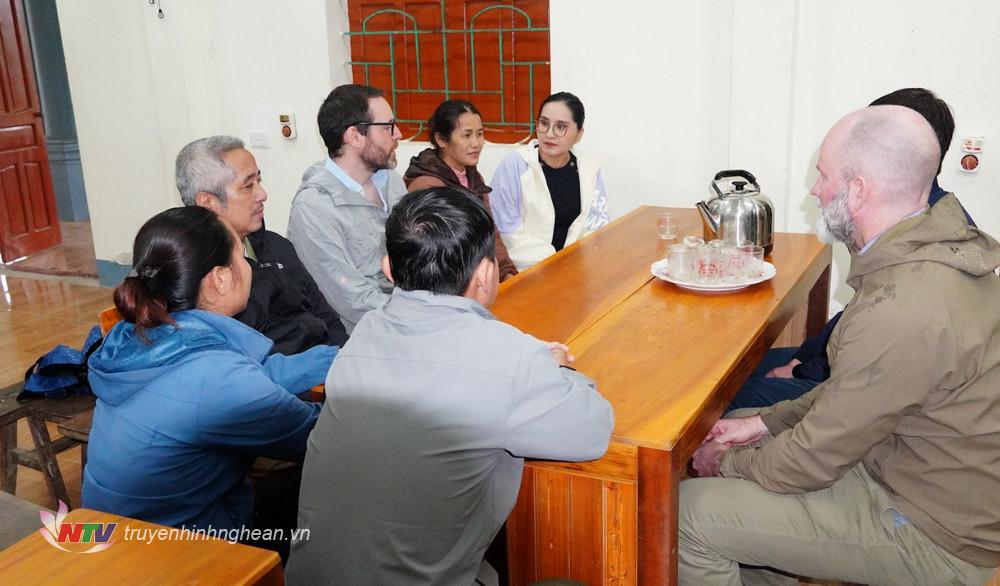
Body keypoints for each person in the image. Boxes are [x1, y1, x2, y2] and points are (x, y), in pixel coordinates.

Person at [680, 106, 1000, 585]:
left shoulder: (903, 304)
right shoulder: (925, 257)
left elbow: (810, 461)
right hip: (915, 474)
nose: (815, 189)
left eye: (824, 175)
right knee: (752, 522)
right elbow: (853, 393)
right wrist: (764, 423)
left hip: (938, 535)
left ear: (858, 191)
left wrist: (725, 460)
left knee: (691, 513)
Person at [288, 187, 614, 585]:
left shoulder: (365, 335)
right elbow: (593, 432)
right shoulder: (511, 358)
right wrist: (558, 371)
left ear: (388, 269)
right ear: (486, 274)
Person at [83, 207, 332, 546]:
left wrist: (336, 359)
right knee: (337, 494)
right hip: (184, 551)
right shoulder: (216, 377)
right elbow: (321, 438)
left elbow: (253, 378)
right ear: (220, 278)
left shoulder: (143, 335)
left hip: (120, 533)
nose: (250, 268)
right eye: (242, 257)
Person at [727, 87, 976, 411]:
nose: (816, 190)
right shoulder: (920, 214)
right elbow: (858, 313)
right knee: (742, 369)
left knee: (729, 398)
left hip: (871, 393)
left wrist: (802, 369)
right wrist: (805, 354)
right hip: (848, 364)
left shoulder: (931, 237)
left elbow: (877, 352)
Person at [176, 135, 348, 355]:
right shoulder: (198, 280)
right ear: (207, 203)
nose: (262, 195)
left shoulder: (277, 247)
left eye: (259, 181)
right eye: (248, 186)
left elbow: (329, 321)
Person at [288, 84, 407, 333]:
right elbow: (350, 298)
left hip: (404, 318)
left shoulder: (391, 181)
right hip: (361, 338)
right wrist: (416, 319)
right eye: (388, 127)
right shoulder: (314, 207)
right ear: (354, 136)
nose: (399, 135)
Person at [490, 92, 609, 270]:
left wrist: (575, 263)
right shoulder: (516, 165)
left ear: (579, 134)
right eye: (544, 124)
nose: (549, 134)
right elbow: (506, 231)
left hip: (577, 269)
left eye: (561, 127)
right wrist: (556, 261)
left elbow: (597, 226)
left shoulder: (589, 169)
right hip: (525, 271)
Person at [403, 99, 518, 280]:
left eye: (480, 134)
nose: (476, 143)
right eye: (466, 135)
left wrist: (506, 271)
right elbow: (443, 254)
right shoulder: (428, 187)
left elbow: (490, 232)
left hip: (477, 279)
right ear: (441, 139)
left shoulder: (473, 177)